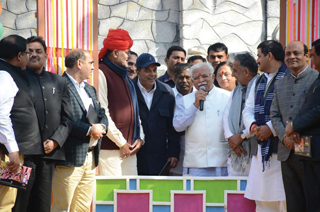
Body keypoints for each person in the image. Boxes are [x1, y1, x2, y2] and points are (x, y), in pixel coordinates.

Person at [12, 36, 73, 212]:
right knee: (19, 204)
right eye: (29, 51)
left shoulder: (59, 81)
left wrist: (56, 140)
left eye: (38, 51)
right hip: (23, 155)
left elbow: (68, 118)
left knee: (43, 205)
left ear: (46, 56)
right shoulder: (16, 79)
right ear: (22, 55)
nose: (34, 55)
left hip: (48, 154)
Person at [51, 49, 108, 211]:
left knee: (83, 207)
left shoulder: (90, 89)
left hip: (90, 157)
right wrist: (89, 130)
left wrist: (101, 127)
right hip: (69, 158)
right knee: (62, 207)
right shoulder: (59, 85)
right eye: (91, 63)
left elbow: (101, 113)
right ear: (79, 63)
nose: (92, 68)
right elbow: (61, 119)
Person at [271, 40, 319, 212]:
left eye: (296, 53)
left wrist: (296, 131)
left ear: (307, 56)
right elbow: (274, 115)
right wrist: (285, 136)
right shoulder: (280, 83)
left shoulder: (316, 79)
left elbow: (315, 114)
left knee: (312, 202)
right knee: (293, 203)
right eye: (288, 54)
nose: (292, 57)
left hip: (310, 151)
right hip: (287, 150)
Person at [242, 40, 287, 211]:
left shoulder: (288, 77)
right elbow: (247, 110)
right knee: (262, 202)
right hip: (260, 147)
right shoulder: (258, 81)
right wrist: (254, 127)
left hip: (282, 148)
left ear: (269, 55)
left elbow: (291, 110)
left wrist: (271, 128)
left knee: (284, 201)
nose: (257, 61)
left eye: (259, 56)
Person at [0, 34, 37, 212]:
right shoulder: (5, 75)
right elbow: (1, 115)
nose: (31, 57)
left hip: (10, 147)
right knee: (5, 202)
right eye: (28, 53)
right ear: (19, 56)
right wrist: (12, 150)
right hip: (5, 152)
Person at [98, 29, 142, 176]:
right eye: (126, 52)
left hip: (129, 148)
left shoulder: (125, 76)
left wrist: (140, 138)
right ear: (115, 53)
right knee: (111, 194)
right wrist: (120, 142)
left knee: (130, 194)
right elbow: (103, 113)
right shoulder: (101, 73)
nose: (129, 57)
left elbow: (136, 112)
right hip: (109, 150)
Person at [173, 62, 230, 176]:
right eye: (196, 78)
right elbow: (178, 126)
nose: (201, 80)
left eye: (204, 76)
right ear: (192, 82)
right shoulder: (184, 100)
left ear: (213, 77)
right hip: (195, 163)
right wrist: (194, 105)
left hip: (221, 161)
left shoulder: (227, 97)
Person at [132, 53, 180, 175]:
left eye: (154, 70)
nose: (152, 74)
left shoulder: (166, 92)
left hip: (160, 158)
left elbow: (172, 127)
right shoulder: (129, 90)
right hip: (134, 155)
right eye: (147, 70)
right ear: (137, 71)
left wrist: (173, 153)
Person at [223, 53, 258, 176]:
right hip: (235, 149)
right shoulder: (236, 91)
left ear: (246, 72)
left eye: (235, 71)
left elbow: (259, 117)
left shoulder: (260, 87)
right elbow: (226, 116)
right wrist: (231, 139)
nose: (232, 74)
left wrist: (242, 136)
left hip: (254, 149)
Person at [170, 63, 194, 176]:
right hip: (174, 153)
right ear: (174, 78)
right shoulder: (168, 94)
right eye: (181, 77)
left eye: (187, 77)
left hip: (195, 151)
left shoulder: (200, 96)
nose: (184, 81)